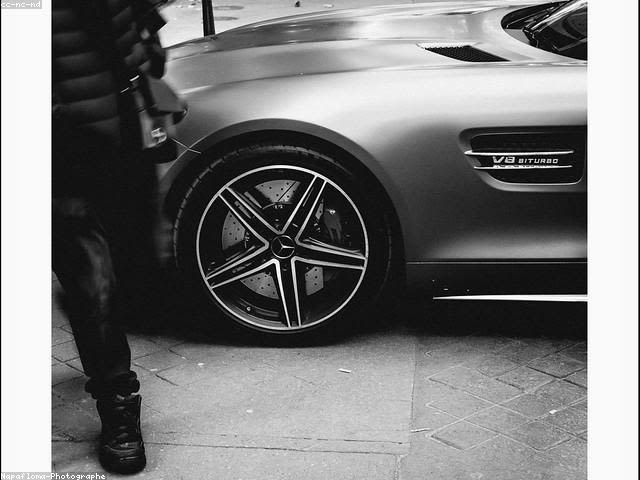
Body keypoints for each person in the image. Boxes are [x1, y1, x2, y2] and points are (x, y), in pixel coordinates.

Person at [52, 0, 169, 474]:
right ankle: (119, 408)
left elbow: (144, 19)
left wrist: (147, 47)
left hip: (123, 130)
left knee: (133, 269)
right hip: (60, 150)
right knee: (91, 280)